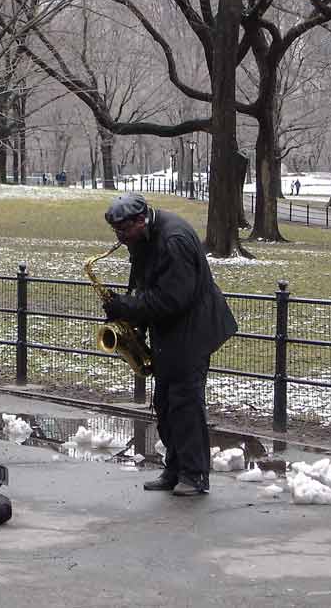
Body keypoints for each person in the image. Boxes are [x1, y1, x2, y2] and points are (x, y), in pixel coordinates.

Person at [101, 193, 238, 496]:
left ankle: (195, 475)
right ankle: (174, 469)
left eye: (124, 231)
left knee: (185, 404)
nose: (120, 238)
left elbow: (172, 299)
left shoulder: (173, 240)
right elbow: (145, 284)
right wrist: (127, 310)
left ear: (140, 220)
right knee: (165, 403)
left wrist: (128, 307)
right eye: (116, 232)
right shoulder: (144, 238)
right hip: (171, 333)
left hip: (192, 332)